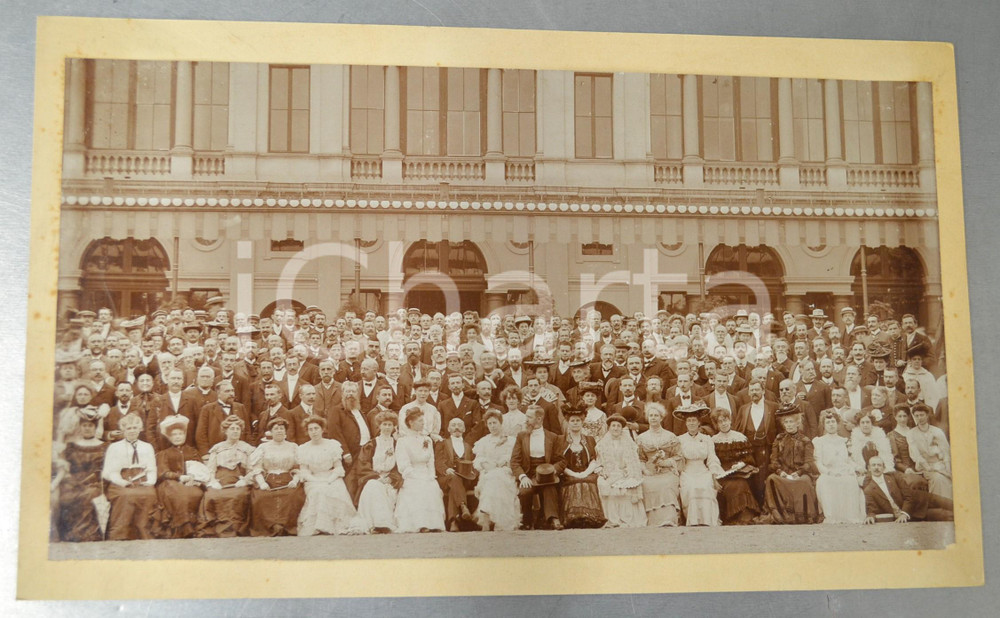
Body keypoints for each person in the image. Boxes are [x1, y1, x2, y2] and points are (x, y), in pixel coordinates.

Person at [295, 417, 363, 536]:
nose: (314, 432)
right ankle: (318, 526)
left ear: (322, 429)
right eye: (310, 429)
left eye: (316, 428)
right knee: (319, 491)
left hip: (332, 477)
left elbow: (338, 468)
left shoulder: (332, 445)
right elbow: (304, 471)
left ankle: (335, 524)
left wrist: (329, 480)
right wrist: (316, 481)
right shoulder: (303, 448)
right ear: (307, 432)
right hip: (313, 479)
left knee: (334, 489)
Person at [52, 406, 109, 542]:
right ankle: (69, 534)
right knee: (67, 496)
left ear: (95, 427)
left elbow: (107, 470)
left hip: (96, 483)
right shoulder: (71, 446)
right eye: (84, 426)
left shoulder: (105, 446)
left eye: (90, 426)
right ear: (80, 427)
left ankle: (88, 535)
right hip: (74, 482)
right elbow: (65, 468)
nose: (87, 428)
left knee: (88, 495)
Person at [101, 413, 158, 540]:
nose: (132, 431)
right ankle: (120, 534)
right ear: (123, 430)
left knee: (150, 494)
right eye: (128, 428)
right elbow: (109, 472)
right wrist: (122, 482)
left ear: (140, 429)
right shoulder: (114, 447)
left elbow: (151, 468)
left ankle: (143, 533)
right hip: (120, 481)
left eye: (135, 428)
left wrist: (150, 481)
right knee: (126, 496)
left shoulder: (147, 447)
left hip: (142, 481)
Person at [763, 402, 819, 524]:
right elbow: (774, 460)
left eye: (791, 422)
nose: (789, 425)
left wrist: (799, 472)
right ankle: (780, 515)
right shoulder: (779, 439)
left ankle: (802, 515)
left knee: (804, 482)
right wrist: (780, 472)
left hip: (800, 473)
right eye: (786, 422)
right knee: (772, 479)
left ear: (797, 423)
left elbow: (809, 462)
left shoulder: (805, 440)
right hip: (783, 473)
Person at [248, 417, 305, 536]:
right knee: (261, 497)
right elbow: (257, 468)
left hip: (288, 478)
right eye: (276, 428)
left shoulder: (293, 446)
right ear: (271, 432)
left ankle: (286, 527)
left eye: (282, 428)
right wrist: (262, 483)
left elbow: (298, 467)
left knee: (292, 496)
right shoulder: (263, 447)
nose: (279, 431)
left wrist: (295, 480)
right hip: (269, 479)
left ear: (285, 431)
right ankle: (270, 527)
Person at [511, 405, 565, 530]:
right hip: (528, 473)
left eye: (529, 417)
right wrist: (522, 477)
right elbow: (514, 461)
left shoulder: (553, 437)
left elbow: (561, 461)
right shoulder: (521, 436)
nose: (526, 420)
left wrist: (553, 470)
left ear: (539, 419)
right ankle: (527, 520)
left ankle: (552, 519)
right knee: (525, 491)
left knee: (550, 487)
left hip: (547, 473)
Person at [151, 415, 206, 538]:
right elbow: (163, 472)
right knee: (178, 492)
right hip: (169, 483)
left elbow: (200, 468)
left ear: (185, 435)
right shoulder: (164, 453)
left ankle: (195, 525)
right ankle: (185, 527)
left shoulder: (192, 451)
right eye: (174, 435)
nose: (177, 437)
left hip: (191, 482)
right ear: (169, 437)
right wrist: (179, 477)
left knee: (196, 493)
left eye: (180, 434)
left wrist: (194, 478)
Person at [199, 415, 255, 537]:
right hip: (220, 481)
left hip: (239, 480)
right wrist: (213, 481)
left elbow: (252, 470)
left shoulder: (247, 448)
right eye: (232, 429)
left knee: (240, 495)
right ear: (225, 431)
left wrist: (245, 480)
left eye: (238, 429)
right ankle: (218, 527)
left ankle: (236, 528)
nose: (235, 431)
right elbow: (211, 469)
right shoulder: (217, 448)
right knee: (212, 495)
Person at [393, 409, 446, 532]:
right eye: (420, 421)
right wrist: (414, 475)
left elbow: (431, 460)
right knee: (418, 487)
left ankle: (433, 524)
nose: (423, 423)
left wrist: (431, 475)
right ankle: (420, 524)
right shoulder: (403, 441)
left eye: (423, 421)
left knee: (432, 486)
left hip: (426, 473)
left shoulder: (427, 440)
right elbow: (403, 464)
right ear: (411, 422)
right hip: (411, 474)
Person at [554, 406, 606, 529]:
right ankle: (573, 517)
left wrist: (585, 473)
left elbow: (593, 459)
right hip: (568, 474)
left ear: (582, 422)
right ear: (568, 422)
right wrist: (574, 474)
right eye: (572, 420)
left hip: (587, 472)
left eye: (578, 420)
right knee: (576, 482)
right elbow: (559, 462)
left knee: (587, 482)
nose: (575, 423)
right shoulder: (561, 440)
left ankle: (589, 516)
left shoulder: (589, 439)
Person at [812, 410, 866, 524]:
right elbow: (818, 462)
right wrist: (828, 472)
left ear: (837, 424)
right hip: (828, 472)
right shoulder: (819, 442)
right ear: (824, 425)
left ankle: (849, 516)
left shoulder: (844, 441)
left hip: (844, 470)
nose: (831, 425)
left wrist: (857, 467)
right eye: (828, 422)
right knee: (825, 482)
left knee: (850, 480)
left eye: (833, 422)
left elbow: (848, 460)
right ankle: (833, 516)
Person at [471, 410, 522, 531]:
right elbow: (478, 460)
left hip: (505, 472)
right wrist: (485, 464)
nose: (492, 426)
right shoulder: (483, 441)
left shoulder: (511, 440)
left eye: (495, 423)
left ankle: (487, 512)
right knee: (493, 477)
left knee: (497, 477)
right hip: (487, 473)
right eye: (490, 423)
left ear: (501, 423)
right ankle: (490, 516)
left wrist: (503, 461)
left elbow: (514, 458)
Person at [863, 456, 954, 523]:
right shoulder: (869, 488)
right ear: (869, 468)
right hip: (913, 513)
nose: (876, 467)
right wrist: (870, 516)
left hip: (921, 499)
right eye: (873, 465)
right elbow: (871, 507)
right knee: (946, 515)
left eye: (879, 465)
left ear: (884, 468)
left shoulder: (894, 476)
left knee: (951, 504)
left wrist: (904, 513)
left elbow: (908, 496)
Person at [674, 403, 723, 526]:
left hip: (703, 470)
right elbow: (678, 459)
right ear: (686, 423)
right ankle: (693, 520)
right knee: (691, 487)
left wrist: (714, 475)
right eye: (689, 421)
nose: (691, 423)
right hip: (687, 471)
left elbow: (712, 458)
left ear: (699, 422)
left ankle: (707, 520)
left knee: (706, 486)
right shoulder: (679, 440)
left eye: (694, 420)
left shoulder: (707, 439)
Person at [710, 407, 760, 525]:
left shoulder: (739, 437)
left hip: (739, 472)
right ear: (716, 424)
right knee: (730, 485)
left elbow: (749, 458)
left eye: (725, 420)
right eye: (720, 422)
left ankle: (743, 515)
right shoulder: (713, 440)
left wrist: (740, 464)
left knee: (740, 483)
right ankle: (732, 516)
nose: (723, 424)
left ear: (730, 420)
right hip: (722, 473)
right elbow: (712, 460)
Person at [636, 403, 683, 527]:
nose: (653, 418)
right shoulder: (641, 438)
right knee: (646, 484)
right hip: (649, 472)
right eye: (651, 415)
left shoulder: (670, 436)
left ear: (661, 418)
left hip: (668, 471)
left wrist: (667, 462)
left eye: (656, 415)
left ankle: (669, 518)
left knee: (666, 484)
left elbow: (678, 456)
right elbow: (640, 458)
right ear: (647, 418)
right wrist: (645, 470)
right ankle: (652, 520)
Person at [355, 410, 402, 533]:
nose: (387, 427)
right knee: (373, 486)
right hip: (373, 477)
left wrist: (391, 478)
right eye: (384, 424)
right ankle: (377, 523)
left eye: (390, 425)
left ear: (394, 427)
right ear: (379, 426)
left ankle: (384, 523)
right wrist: (376, 477)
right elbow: (363, 464)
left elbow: (400, 466)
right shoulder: (371, 444)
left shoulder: (398, 445)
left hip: (391, 479)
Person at [596, 414, 647, 528]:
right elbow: (599, 462)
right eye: (613, 426)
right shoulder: (602, 444)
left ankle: (627, 518)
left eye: (618, 426)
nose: (615, 428)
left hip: (625, 472)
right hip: (609, 472)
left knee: (629, 484)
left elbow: (634, 461)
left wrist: (627, 471)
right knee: (603, 483)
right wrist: (602, 471)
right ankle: (612, 519)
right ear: (609, 428)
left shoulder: (629, 443)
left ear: (622, 428)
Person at [435, 417, 479, 532]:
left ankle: (454, 521)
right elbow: (438, 461)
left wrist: (472, 472)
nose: (456, 428)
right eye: (453, 425)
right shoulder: (442, 443)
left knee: (454, 487)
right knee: (454, 478)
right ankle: (463, 506)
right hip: (446, 477)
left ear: (464, 429)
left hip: (464, 479)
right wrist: (446, 470)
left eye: (459, 425)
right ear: (448, 429)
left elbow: (474, 464)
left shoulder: (468, 446)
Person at [907, 403, 952, 499]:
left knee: (949, 478)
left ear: (927, 415)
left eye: (922, 415)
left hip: (941, 465)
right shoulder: (911, 434)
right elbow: (916, 455)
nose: (920, 418)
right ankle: (940, 503)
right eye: (916, 416)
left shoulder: (937, 431)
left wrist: (948, 469)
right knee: (938, 478)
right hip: (925, 467)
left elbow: (945, 451)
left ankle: (950, 504)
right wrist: (929, 468)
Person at [886, 404, 928, 491]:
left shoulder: (915, 431)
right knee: (916, 482)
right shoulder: (892, 436)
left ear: (908, 416)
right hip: (903, 470)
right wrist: (905, 469)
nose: (902, 419)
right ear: (895, 417)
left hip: (920, 466)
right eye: (899, 416)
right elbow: (894, 459)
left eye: (905, 416)